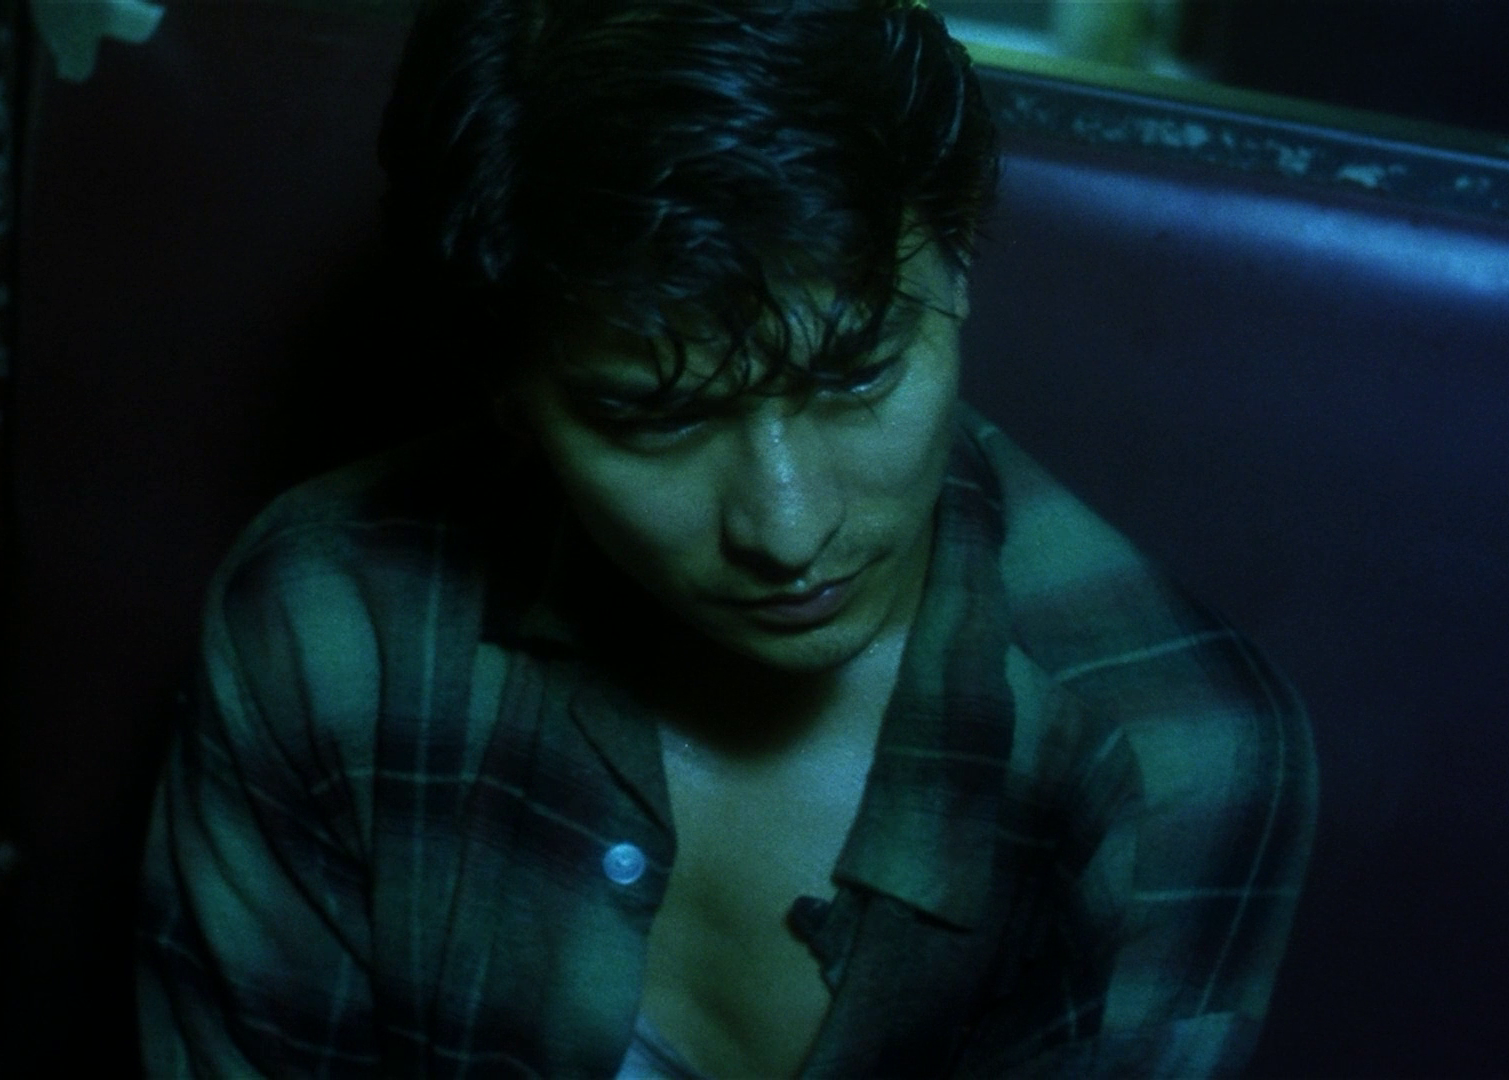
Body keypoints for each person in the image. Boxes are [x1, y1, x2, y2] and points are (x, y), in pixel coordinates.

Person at [135, 0, 1318, 1075]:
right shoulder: (329, 627)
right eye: (656, 419)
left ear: (959, 255)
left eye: (856, 373)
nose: (787, 528)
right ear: (508, 387)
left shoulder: (1171, 760)